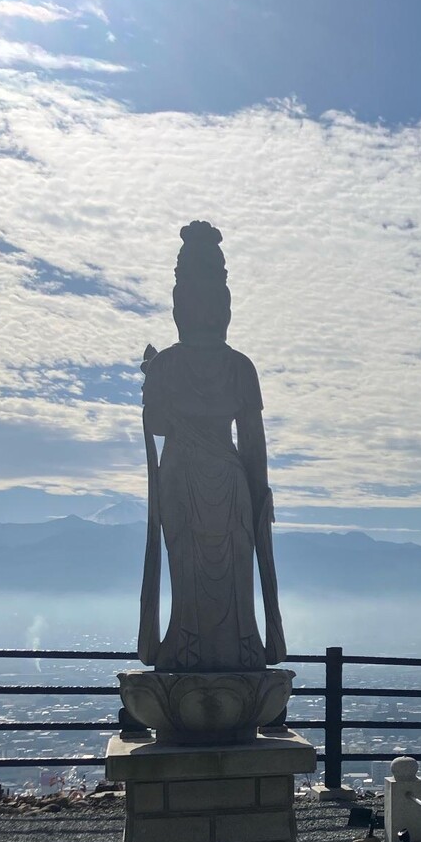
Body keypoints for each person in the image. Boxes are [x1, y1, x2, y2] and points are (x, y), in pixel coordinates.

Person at [137, 221, 286, 670]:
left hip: (180, 474)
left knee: (188, 571)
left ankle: (185, 652)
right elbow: (254, 448)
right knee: (232, 576)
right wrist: (260, 496)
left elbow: (159, 425)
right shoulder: (240, 367)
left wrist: (152, 382)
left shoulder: (165, 365)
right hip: (229, 478)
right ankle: (242, 652)